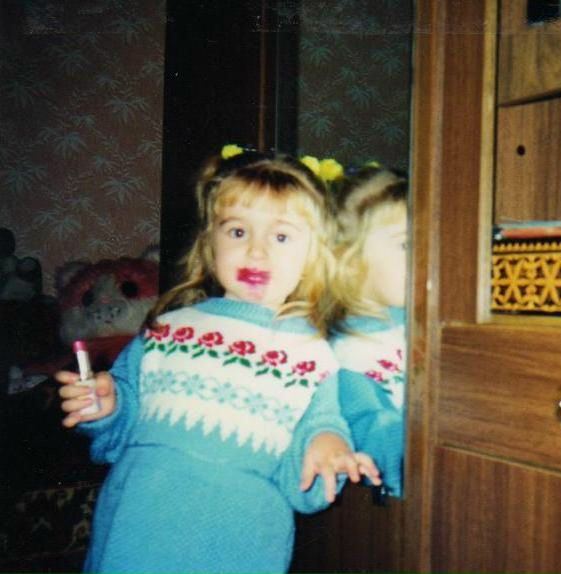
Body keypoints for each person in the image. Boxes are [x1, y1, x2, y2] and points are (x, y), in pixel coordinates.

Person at [55, 146, 380, 574]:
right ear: (210, 241)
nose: (257, 252)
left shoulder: (314, 354)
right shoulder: (167, 328)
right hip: (137, 528)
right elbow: (124, 411)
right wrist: (106, 405)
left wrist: (327, 449)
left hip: (237, 541)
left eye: (281, 237)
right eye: (238, 232)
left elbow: (319, 434)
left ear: (313, 255)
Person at [326, 166, 408, 497]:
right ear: (351, 262)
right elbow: (377, 433)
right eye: (406, 244)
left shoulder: (430, 323)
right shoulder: (348, 353)